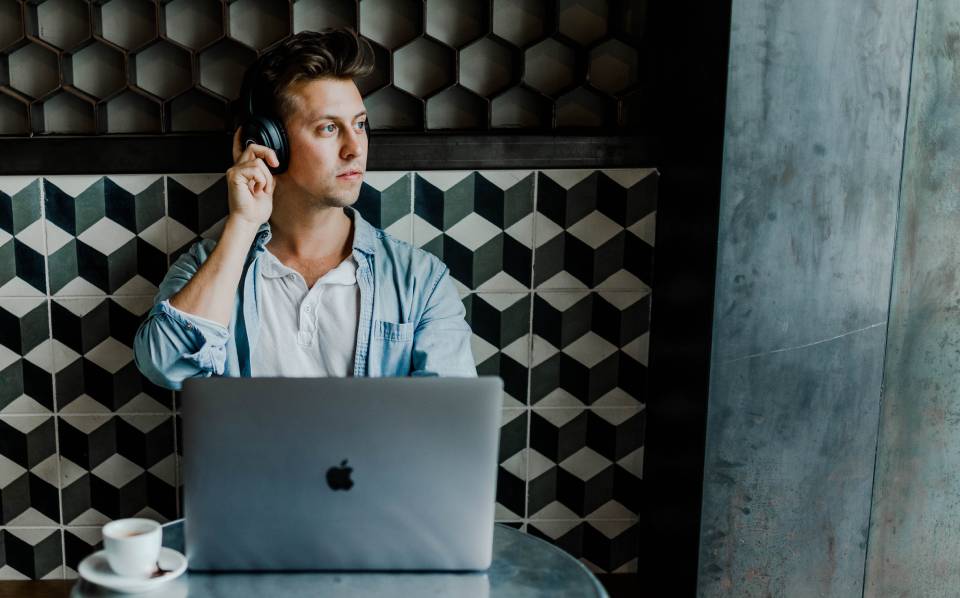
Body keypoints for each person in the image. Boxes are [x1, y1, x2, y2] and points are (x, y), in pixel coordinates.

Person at [133, 28, 476, 390]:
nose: (355, 148)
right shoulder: (209, 267)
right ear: (269, 143)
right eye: (329, 128)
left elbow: (447, 429)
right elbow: (166, 367)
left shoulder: (420, 280)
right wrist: (244, 223)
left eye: (359, 125)